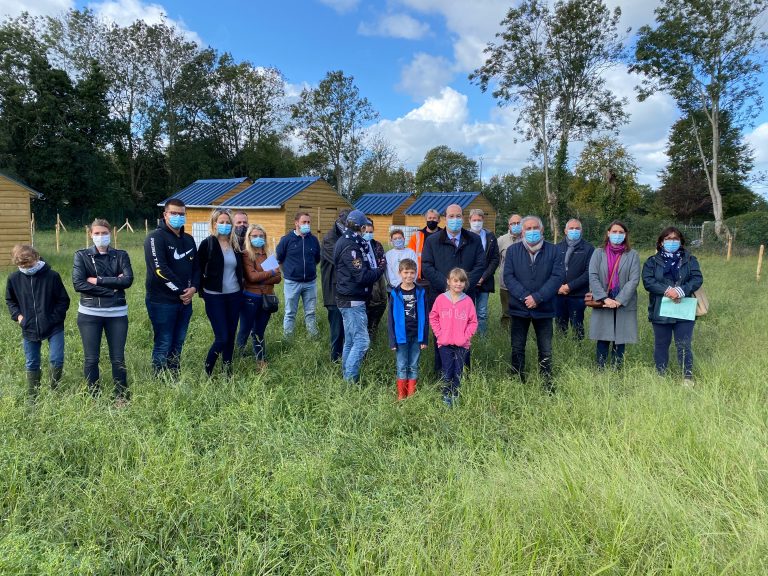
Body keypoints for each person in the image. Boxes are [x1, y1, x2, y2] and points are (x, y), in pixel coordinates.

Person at [72, 219, 133, 403]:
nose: (101, 236)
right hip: (90, 314)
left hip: (117, 314)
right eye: (97, 233)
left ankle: (121, 394)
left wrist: (97, 281)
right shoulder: (81, 256)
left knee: (118, 357)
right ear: (91, 235)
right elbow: (79, 284)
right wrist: (111, 288)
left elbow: (128, 280)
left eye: (104, 233)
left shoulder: (121, 255)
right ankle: (93, 395)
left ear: (111, 234)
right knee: (91, 358)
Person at [503, 215, 564, 391]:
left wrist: (538, 297)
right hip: (519, 308)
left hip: (544, 308)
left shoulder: (553, 251)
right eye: (528, 229)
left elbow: (557, 277)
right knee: (517, 347)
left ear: (542, 230)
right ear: (522, 232)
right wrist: (524, 297)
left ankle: (546, 381)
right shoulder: (513, 251)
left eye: (535, 228)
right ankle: (517, 378)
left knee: (545, 348)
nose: (531, 231)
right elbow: (508, 276)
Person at [421, 203, 484, 372]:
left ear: (463, 218)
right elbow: (426, 266)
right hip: (441, 296)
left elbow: (480, 265)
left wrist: (463, 285)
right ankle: (442, 373)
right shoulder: (433, 241)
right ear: (445, 219)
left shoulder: (474, 240)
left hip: (466, 297)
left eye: (458, 216)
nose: (455, 219)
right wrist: (446, 286)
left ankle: (462, 372)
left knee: (463, 335)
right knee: (442, 336)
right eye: (451, 216)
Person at [6, 244, 70, 399]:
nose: (26, 267)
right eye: (21, 264)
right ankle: (32, 395)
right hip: (29, 327)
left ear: (36, 257)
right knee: (32, 362)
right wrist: (19, 317)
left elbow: (63, 301)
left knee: (56, 358)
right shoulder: (14, 279)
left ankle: (54, 390)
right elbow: (10, 301)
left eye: (29, 263)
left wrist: (53, 318)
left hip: (54, 326)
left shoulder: (52, 276)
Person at [144, 198, 199, 377]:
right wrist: (181, 291)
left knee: (179, 341)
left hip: (185, 301)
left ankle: (174, 375)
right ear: (165, 215)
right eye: (173, 213)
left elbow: (197, 268)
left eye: (181, 214)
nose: (177, 217)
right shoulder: (155, 237)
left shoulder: (189, 240)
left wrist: (194, 288)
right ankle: (159, 378)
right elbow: (159, 269)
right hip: (162, 301)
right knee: (164, 341)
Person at [642, 227, 703, 384]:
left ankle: (687, 377)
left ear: (681, 242)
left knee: (684, 344)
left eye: (675, 239)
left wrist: (681, 290)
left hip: (684, 307)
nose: (672, 242)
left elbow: (697, 279)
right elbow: (648, 281)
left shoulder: (690, 260)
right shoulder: (652, 262)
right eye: (668, 239)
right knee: (661, 343)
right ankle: (661, 375)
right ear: (661, 242)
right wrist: (668, 290)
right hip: (660, 308)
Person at [333, 209, 386, 383]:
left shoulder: (348, 241)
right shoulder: (351, 246)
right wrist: (380, 270)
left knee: (350, 341)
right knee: (362, 341)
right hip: (352, 300)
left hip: (349, 297)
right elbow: (361, 276)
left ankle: (345, 376)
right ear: (361, 227)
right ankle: (350, 380)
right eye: (365, 227)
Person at [588, 220, 641, 370]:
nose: (617, 235)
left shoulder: (632, 255)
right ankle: (600, 368)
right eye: (614, 232)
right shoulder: (598, 253)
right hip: (603, 301)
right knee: (603, 336)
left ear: (625, 235)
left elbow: (634, 279)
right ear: (608, 233)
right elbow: (593, 276)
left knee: (620, 337)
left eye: (621, 232)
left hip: (623, 302)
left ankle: (617, 369)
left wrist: (619, 300)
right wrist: (605, 298)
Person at [197, 208, 244, 377]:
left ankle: (227, 372)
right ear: (214, 224)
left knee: (231, 336)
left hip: (235, 296)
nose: (225, 225)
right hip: (214, 297)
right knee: (222, 337)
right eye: (221, 222)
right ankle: (207, 371)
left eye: (228, 222)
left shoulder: (236, 244)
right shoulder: (207, 244)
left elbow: (255, 256)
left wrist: (273, 268)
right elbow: (197, 269)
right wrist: (201, 293)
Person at [429, 267, 478, 407]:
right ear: (448, 282)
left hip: (462, 344)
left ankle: (455, 394)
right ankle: (446, 394)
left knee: (458, 370)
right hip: (444, 343)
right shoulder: (441, 299)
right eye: (455, 281)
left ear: (465, 283)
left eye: (462, 281)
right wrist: (439, 334)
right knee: (447, 369)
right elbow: (433, 317)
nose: (458, 284)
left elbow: (473, 322)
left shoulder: (468, 301)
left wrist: (465, 337)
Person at [239, 224, 282, 368]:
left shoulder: (268, 254)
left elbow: (278, 278)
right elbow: (251, 277)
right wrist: (270, 273)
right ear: (249, 237)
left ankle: (261, 360)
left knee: (259, 331)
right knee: (245, 330)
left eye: (261, 236)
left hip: (267, 298)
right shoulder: (246, 254)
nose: (258, 238)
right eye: (255, 236)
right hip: (251, 298)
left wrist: (261, 277)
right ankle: (238, 357)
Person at [387, 258, 428, 400]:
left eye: (412, 272)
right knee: (402, 365)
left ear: (416, 273)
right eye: (406, 272)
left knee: (413, 365)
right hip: (400, 337)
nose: (409, 276)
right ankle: (401, 396)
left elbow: (425, 317)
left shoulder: (421, 292)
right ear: (400, 273)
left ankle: (411, 396)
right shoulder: (395, 293)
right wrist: (392, 340)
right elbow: (390, 319)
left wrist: (424, 338)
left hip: (417, 335)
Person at [276, 211, 320, 338]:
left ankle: (313, 337)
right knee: (290, 312)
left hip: (310, 283)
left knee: (311, 313)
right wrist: (266, 272)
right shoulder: (286, 240)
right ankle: (287, 339)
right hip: (292, 283)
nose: (307, 224)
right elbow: (277, 257)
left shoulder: (314, 240)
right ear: (296, 223)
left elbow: (317, 259)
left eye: (308, 222)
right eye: (304, 222)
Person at [554, 219, 595, 339]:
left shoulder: (588, 249)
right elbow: (551, 271)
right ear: (565, 231)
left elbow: (589, 273)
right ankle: (562, 349)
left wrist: (569, 286)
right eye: (571, 228)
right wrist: (558, 287)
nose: (574, 231)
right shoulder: (556, 248)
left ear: (581, 231)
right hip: (559, 294)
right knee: (560, 325)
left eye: (577, 228)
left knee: (577, 326)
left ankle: (578, 350)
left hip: (578, 295)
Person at [321, 208, 350, 362]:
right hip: (333, 292)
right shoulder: (329, 238)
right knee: (337, 331)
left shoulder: (348, 237)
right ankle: (335, 360)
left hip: (346, 290)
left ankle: (346, 359)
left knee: (348, 330)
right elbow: (342, 260)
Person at [468, 208, 500, 335]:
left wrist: (483, 277)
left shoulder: (490, 237)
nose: (477, 222)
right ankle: (468, 337)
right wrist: (471, 278)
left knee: (482, 312)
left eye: (479, 220)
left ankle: (482, 338)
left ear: (483, 220)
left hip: (484, 280)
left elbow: (495, 258)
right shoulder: (464, 236)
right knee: (467, 311)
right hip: (468, 281)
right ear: (469, 220)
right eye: (474, 220)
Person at [361, 222, 387, 338]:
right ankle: (368, 330)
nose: (368, 234)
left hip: (378, 276)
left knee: (382, 301)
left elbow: (382, 260)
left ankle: (374, 327)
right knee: (371, 303)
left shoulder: (377, 245)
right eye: (366, 232)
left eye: (370, 232)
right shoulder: (359, 245)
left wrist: (377, 272)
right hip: (367, 277)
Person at [497, 214, 523, 326]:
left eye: (518, 223)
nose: (516, 225)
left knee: (522, 311)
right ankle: (505, 334)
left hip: (523, 284)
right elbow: (497, 260)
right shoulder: (501, 240)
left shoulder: (528, 239)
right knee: (506, 311)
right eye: (513, 223)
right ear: (509, 225)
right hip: (506, 284)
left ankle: (520, 331)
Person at [407, 208, 441, 285]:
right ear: (426, 219)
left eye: (434, 218)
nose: (432, 220)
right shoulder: (416, 236)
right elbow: (410, 256)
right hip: (421, 278)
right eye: (429, 218)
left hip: (440, 276)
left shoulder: (444, 235)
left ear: (439, 220)